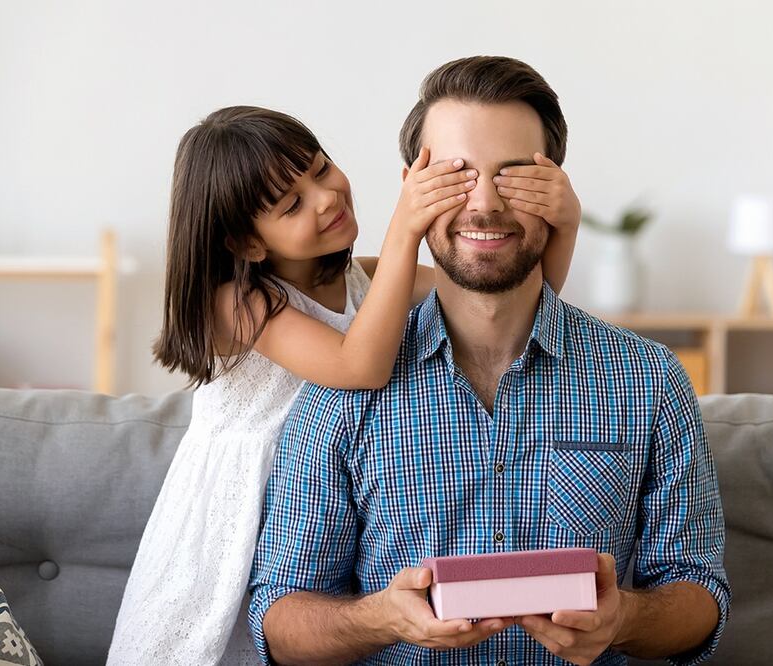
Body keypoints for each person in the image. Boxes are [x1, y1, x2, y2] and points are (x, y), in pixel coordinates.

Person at [249, 56, 730, 665]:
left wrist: (625, 616)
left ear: (554, 188)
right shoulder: (341, 388)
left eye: (514, 177)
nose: (483, 203)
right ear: (412, 193)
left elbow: (701, 597)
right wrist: (380, 618)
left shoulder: (650, 380)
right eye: (455, 175)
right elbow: (279, 624)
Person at [106, 106, 579, 664]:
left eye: (321, 169)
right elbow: (360, 368)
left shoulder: (365, 279)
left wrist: (565, 221)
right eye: (292, 203)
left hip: (319, 496)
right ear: (249, 244)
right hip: (240, 515)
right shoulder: (236, 302)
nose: (327, 197)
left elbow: (505, 298)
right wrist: (405, 229)